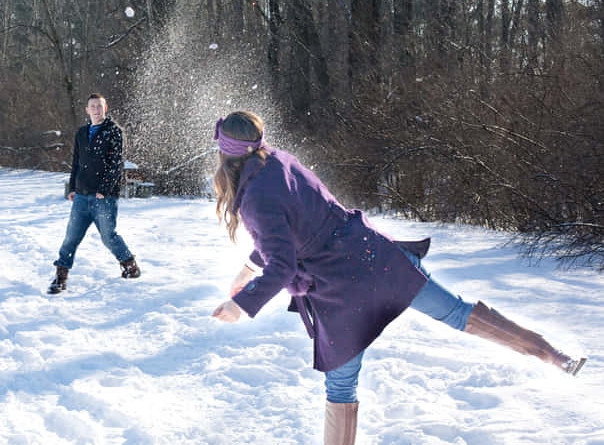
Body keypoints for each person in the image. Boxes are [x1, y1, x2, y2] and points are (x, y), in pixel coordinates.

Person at [209, 111, 586, 445]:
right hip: (375, 257)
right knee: (457, 312)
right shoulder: (281, 162)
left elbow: (283, 265)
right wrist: (248, 269)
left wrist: (240, 305)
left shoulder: (254, 197)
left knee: (341, 387)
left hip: (339, 289)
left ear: (226, 155)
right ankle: (553, 355)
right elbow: (298, 227)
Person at [49, 93, 141, 294]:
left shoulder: (114, 131)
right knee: (71, 238)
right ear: (87, 110)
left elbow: (116, 164)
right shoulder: (82, 133)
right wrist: (72, 188)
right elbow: (76, 162)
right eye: (92, 106)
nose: (96, 110)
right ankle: (60, 276)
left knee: (108, 237)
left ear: (105, 108)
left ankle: (130, 265)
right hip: (81, 196)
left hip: (104, 197)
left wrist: (104, 189)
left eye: (99, 106)